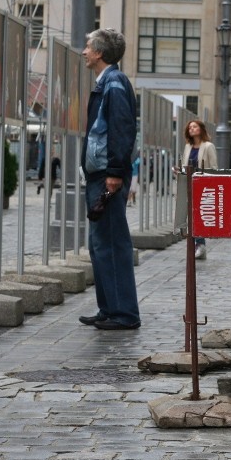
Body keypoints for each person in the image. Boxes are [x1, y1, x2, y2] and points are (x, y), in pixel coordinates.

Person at [78, 28, 141, 331]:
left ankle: (123, 313)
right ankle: (109, 308)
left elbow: (121, 130)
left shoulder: (113, 84)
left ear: (100, 53)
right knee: (100, 244)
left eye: (88, 46)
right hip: (101, 173)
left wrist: (115, 173)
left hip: (106, 175)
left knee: (112, 244)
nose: (84, 51)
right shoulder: (109, 82)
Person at [180, 119, 217, 259]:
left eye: (194, 126)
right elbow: (185, 165)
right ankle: (198, 245)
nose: (192, 129)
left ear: (201, 129)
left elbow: (214, 168)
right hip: (189, 184)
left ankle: (200, 244)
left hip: (203, 185)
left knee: (199, 215)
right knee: (191, 215)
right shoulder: (188, 147)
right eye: (190, 127)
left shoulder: (208, 146)